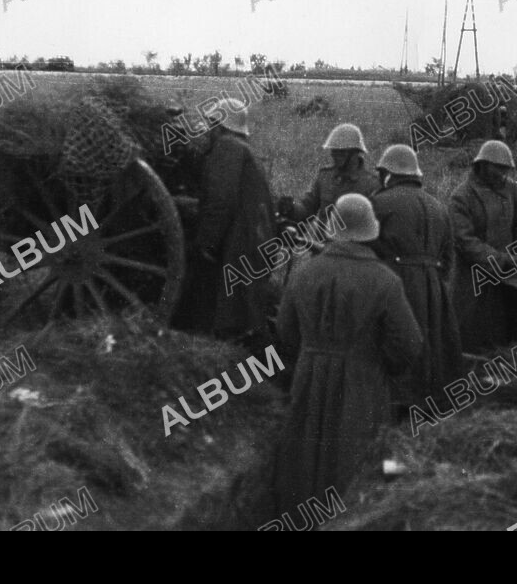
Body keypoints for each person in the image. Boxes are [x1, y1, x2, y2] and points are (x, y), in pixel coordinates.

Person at [271, 193, 422, 528]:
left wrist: (311, 353)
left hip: (309, 376)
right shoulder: (385, 281)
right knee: (354, 458)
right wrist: (385, 368)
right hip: (362, 382)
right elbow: (409, 343)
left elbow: (285, 330)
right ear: (369, 232)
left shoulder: (305, 272)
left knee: (303, 451)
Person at [176, 98, 277, 345]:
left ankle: (244, 361)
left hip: (241, 238)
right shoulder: (243, 148)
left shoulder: (227, 147)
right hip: (255, 235)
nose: (208, 129)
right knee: (245, 305)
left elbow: (221, 201)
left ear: (221, 125)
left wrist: (206, 243)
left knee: (236, 313)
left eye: (211, 123)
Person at [369, 144, 462, 408]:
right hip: (433, 287)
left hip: (396, 281)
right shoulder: (439, 207)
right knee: (432, 346)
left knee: (397, 340)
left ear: (388, 173)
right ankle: (429, 403)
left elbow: (365, 246)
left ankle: (397, 402)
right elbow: (448, 260)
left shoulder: (379, 203)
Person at [449, 141, 517, 353]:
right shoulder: (461, 197)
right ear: (481, 165)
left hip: (512, 270)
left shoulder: (512, 189)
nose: (502, 174)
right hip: (475, 274)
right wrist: (499, 259)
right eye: (497, 168)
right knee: (474, 333)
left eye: (505, 170)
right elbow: (465, 241)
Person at [278, 123, 378, 223]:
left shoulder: (372, 185)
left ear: (355, 152)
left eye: (342, 152)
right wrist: (292, 207)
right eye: (334, 151)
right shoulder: (325, 177)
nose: (335, 155)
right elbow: (308, 207)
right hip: (321, 237)